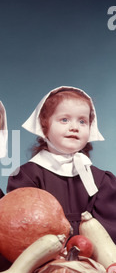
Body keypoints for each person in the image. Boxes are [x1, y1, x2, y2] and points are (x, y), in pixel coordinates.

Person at [7, 86, 116, 241]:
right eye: (64, 120)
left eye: (82, 121)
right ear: (44, 127)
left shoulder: (101, 180)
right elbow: (21, 224)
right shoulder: (28, 176)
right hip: (45, 254)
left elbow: (109, 231)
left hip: (93, 253)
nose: (74, 127)